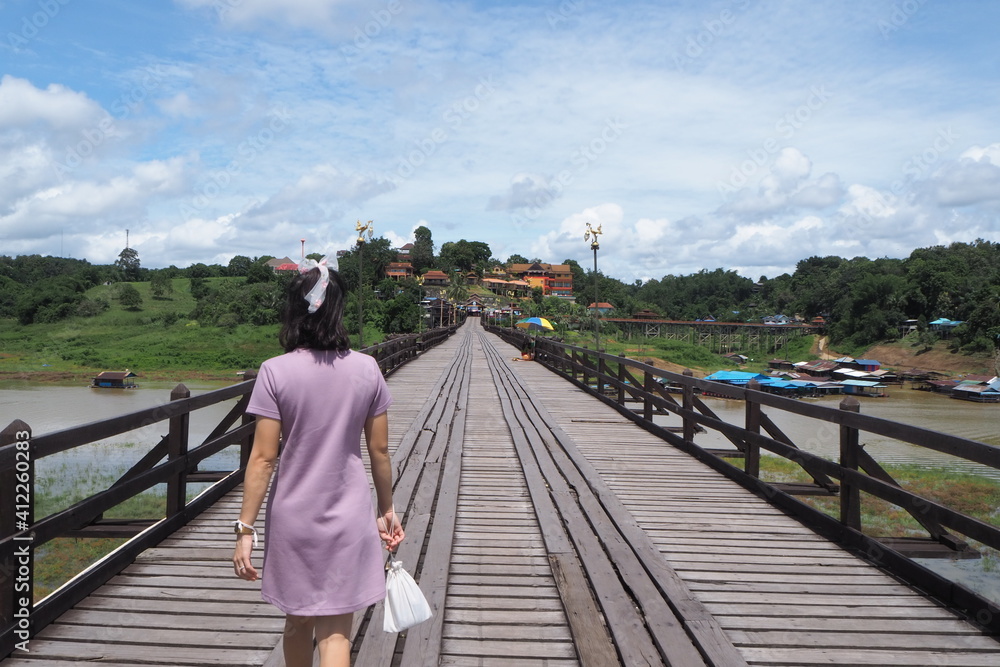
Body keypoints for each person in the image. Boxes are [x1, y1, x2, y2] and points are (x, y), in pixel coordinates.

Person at [232, 256, 404, 667]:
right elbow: (379, 451)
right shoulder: (367, 369)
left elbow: (262, 458)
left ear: (295, 310)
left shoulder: (274, 371)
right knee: (335, 635)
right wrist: (387, 510)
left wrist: (244, 529)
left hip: (293, 517)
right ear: (338, 309)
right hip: (348, 515)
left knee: (297, 624)